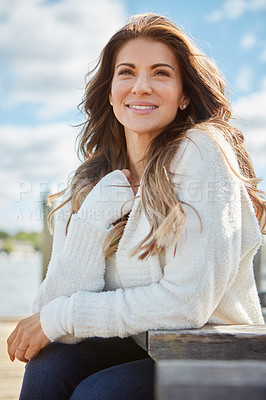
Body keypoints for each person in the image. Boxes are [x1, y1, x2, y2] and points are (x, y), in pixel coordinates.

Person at [7, 12, 265, 400]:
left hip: (220, 359)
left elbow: (187, 304)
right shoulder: (91, 181)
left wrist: (61, 317)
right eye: (126, 72)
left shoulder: (203, 151)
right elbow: (47, 308)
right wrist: (92, 222)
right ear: (110, 91)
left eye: (160, 73)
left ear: (184, 95)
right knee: (50, 367)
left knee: (101, 393)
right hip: (143, 347)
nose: (141, 86)